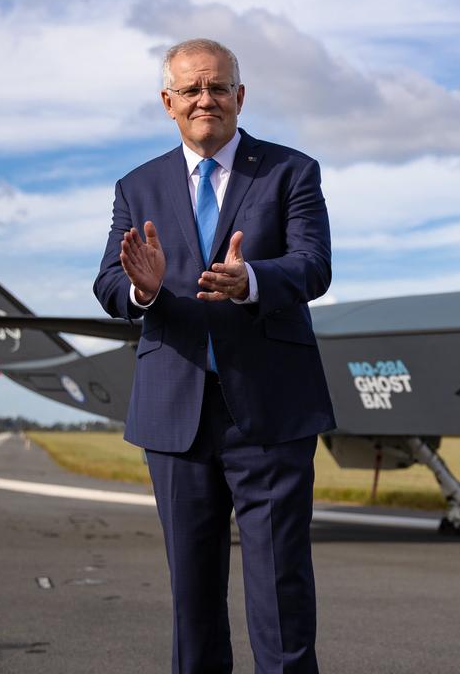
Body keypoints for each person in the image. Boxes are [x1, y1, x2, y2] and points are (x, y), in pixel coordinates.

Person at [94, 38, 335, 674]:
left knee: (282, 597)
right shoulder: (136, 186)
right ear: (168, 102)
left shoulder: (291, 171)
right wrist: (143, 289)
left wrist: (252, 279)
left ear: (240, 96)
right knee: (192, 602)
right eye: (193, 90)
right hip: (175, 416)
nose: (208, 99)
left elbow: (313, 266)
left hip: (271, 414)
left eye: (219, 87)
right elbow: (108, 286)